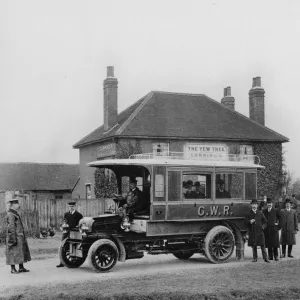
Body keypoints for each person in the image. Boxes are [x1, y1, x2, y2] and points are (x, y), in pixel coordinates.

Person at [6, 198, 31, 274]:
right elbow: (11, 227)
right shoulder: (11, 214)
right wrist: (12, 239)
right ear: (12, 205)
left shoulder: (15, 213)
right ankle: (13, 269)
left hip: (19, 236)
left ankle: (21, 267)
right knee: (12, 252)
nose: (18, 205)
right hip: (14, 236)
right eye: (16, 203)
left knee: (20, 251)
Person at [56, 200, 83, 267]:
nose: (71, 208)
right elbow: (64, 222)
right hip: (66, 233)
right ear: (68, 207)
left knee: (75, 246)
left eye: (72, 206)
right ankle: (62, 262)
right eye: (70, 206)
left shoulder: (79, 215)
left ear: (75, 207)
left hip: (75, 233)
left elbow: (80, 224)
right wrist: (62, 226)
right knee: (63, 247)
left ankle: (75, 261)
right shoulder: (66, 214)